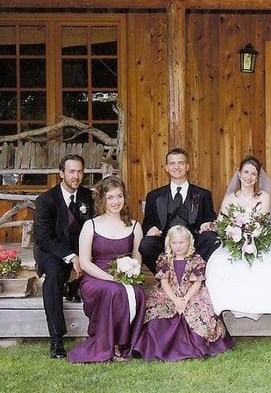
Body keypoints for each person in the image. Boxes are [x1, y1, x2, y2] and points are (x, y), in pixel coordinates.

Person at [68, 176, 146, 363]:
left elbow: (137, 257)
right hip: (95, 277)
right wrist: (110, 278)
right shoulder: (91, 225)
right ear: (102, 199)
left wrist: (129, 272)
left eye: (119, 196)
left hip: (124, 276)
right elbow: (85, 263)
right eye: (110, 197)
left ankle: (128, 343)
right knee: (113, 291)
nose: (115, 201)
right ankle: (113, 345)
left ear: (124, 198)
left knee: (137, 293)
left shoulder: (135, 226)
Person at [132, 225, 233, 361]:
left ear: (189, 242)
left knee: (197, 313)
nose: (178, 246)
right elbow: (164, 282)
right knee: (156, 314)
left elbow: (197, 282)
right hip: (170, 294)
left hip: (191, 294)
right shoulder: (165, 259)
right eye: (174, 243)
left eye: (181, 242)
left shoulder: (195, 260)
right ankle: (159, 347)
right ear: (169, 243)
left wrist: (185, 299)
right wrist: (175, 300)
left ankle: (196, 346)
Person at [205, 156, 271, 319]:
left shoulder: (264, 197)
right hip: (234, 243)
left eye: (253, 174)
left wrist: (249, 232)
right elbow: (221, 223)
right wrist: (223, 230)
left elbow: (261, 222)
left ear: (257, 177)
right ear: (239, 174)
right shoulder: (230, 198)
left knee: (263, 267)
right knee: (220, 264)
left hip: (258, 242)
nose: (249, 176)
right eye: (246, 172)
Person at [33, 154, 93, 359]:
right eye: (71, 171)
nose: (76, 176)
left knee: (95, 271)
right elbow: (44, 238)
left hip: (81, 251)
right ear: (61, 174)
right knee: (53, 277)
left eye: (79, 171)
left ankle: (74, 289)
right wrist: (71, 256)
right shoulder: (45, 200)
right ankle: (56, 339)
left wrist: (84, 256)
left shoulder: (88, 196)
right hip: (52, 251)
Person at [139, 148, 218, 275]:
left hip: (194, 240)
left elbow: (210, 219)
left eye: (181, 163)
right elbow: (147, 223)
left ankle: (198, 276)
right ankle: (165, 277)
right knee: (146, 244)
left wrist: (206, 224)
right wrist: (150, 229)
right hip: (165, 241)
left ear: (187, 166)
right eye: (172, 163)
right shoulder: (154, 196)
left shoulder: (203, 194)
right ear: (166, 167)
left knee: (211, 238)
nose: (176, 167)